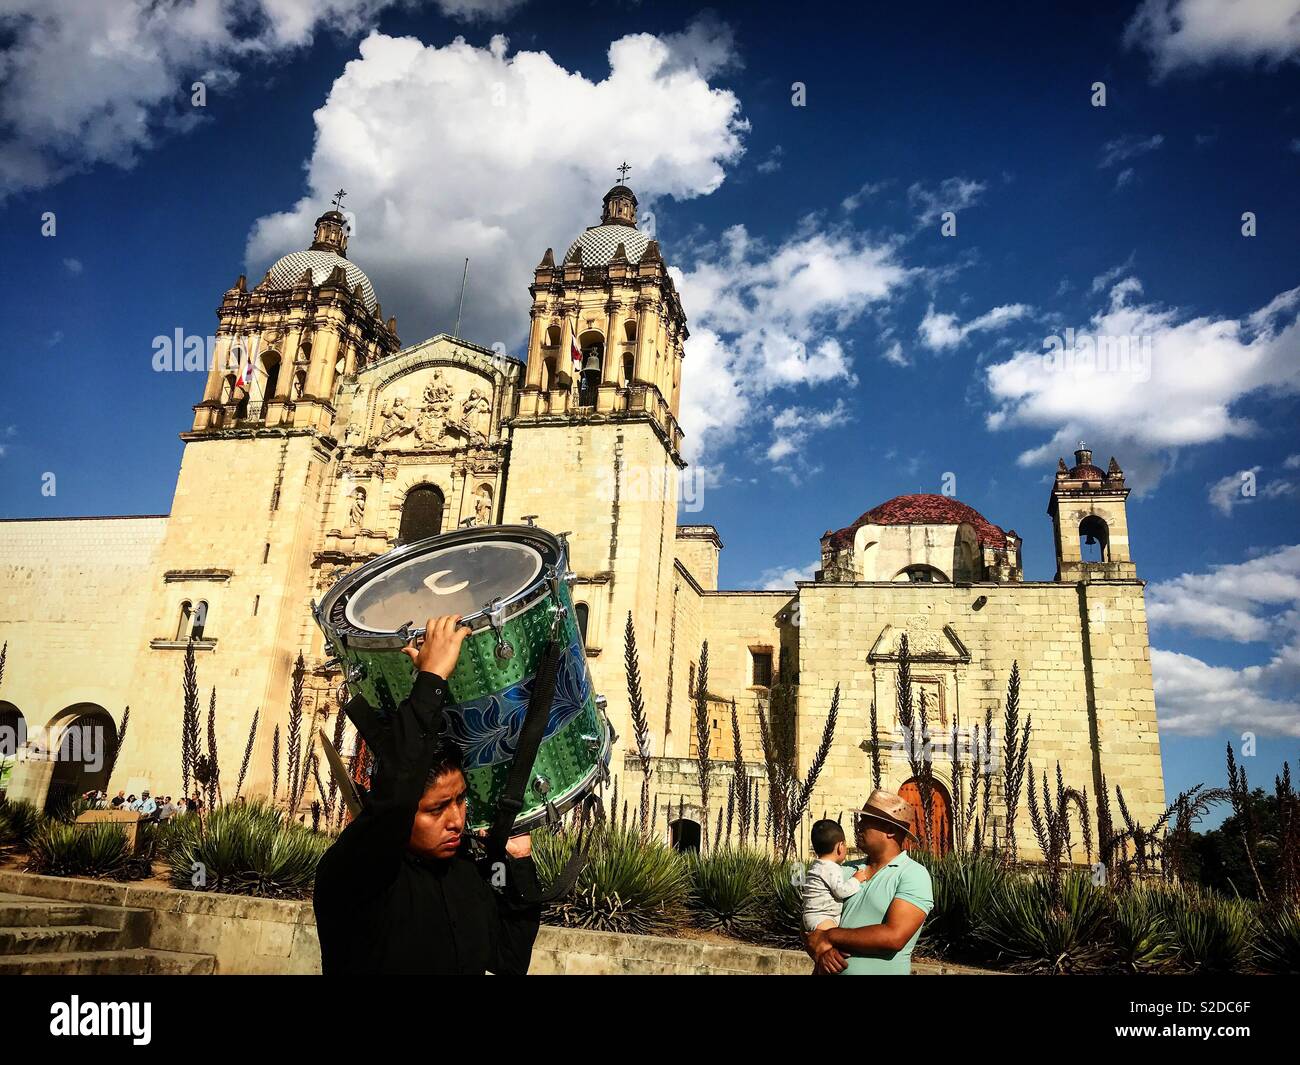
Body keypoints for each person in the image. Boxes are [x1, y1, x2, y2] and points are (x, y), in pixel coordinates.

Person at [313, 615, 542, 975]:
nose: (456, 820)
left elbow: (509, 961)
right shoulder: (358, 874)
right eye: (436, 809)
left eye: (461, 800)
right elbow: (396, 796)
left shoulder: (466, 873)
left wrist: (519, 863)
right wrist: (431, 679)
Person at [805, 789, 934, 975]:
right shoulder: (842, 869)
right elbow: (810, 913)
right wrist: (821, 949)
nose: (859, 826)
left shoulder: (913, 875)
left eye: (866, 821)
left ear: (890, 831)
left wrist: (828, 936)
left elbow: (894, 936)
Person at [801, 819, 870, 933]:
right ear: (840, 846)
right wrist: (856, 880)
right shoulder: (831, 868)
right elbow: (840, 891)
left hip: (814, 916)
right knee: (833, 942)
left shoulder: (817, 865)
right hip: (822, 917)